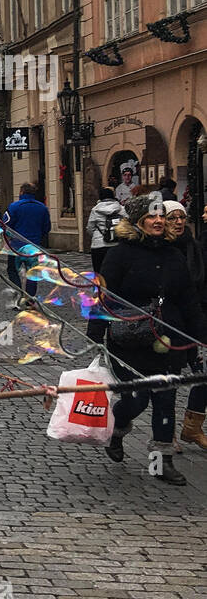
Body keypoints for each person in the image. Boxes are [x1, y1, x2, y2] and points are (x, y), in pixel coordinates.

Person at [86, 194, 207, 485]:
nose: (158, 221)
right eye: (151, 216)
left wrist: (199, 337)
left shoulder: (173, 255)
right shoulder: (120, 254)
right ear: (138, 221)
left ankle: (161, 462)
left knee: (165, 399)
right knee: (136, 398)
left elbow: (188, 299)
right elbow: (103, 296)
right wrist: (95, 334)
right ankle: (117, 428)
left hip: (168, 337)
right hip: (130, 339)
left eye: (160, 216)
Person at [163, 201, 207, 452]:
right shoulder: (160, 249)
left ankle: (192, 426)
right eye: (173, 218)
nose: (179, 222)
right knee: (170, 378)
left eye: (181, 217)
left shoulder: (193, 245)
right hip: (167, 324)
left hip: (195, 319)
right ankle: (167, 434)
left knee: (203, 374)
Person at [3, 183, 52, 309]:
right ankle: (30, 299)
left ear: (21, 192)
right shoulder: (42, 208)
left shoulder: (14, 207)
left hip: (16, 246)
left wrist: (7, 239)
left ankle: (18, 296)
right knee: (32, 272)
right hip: (34, 246)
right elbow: (47, 228)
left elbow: (6, 225)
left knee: (13, 270)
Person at [86, 187, 125, 276]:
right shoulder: (122, 209)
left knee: (99, 272)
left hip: (99, 245)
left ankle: (101, 289)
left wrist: (98, 236)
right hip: (117, 244)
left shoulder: (95, 210)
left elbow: (90, 228)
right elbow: (127, 225)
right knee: (116, 273)